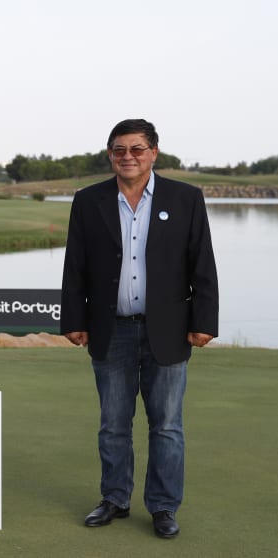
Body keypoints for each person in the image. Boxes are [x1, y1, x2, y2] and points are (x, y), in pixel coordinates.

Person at [60, 119, 219, 539]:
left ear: (154, 153)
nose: (127, 156)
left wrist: (204, 322)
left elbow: (202, 264)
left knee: (166, 425)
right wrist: (73, 319)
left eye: (136, 149)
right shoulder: (88, 200)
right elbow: (75, 266)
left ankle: (164, 507)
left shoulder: (185, 198)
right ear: (110, 154)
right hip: (111, 330)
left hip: (168, 330)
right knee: (113, 423)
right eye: (119, 149)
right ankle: (114, 498)